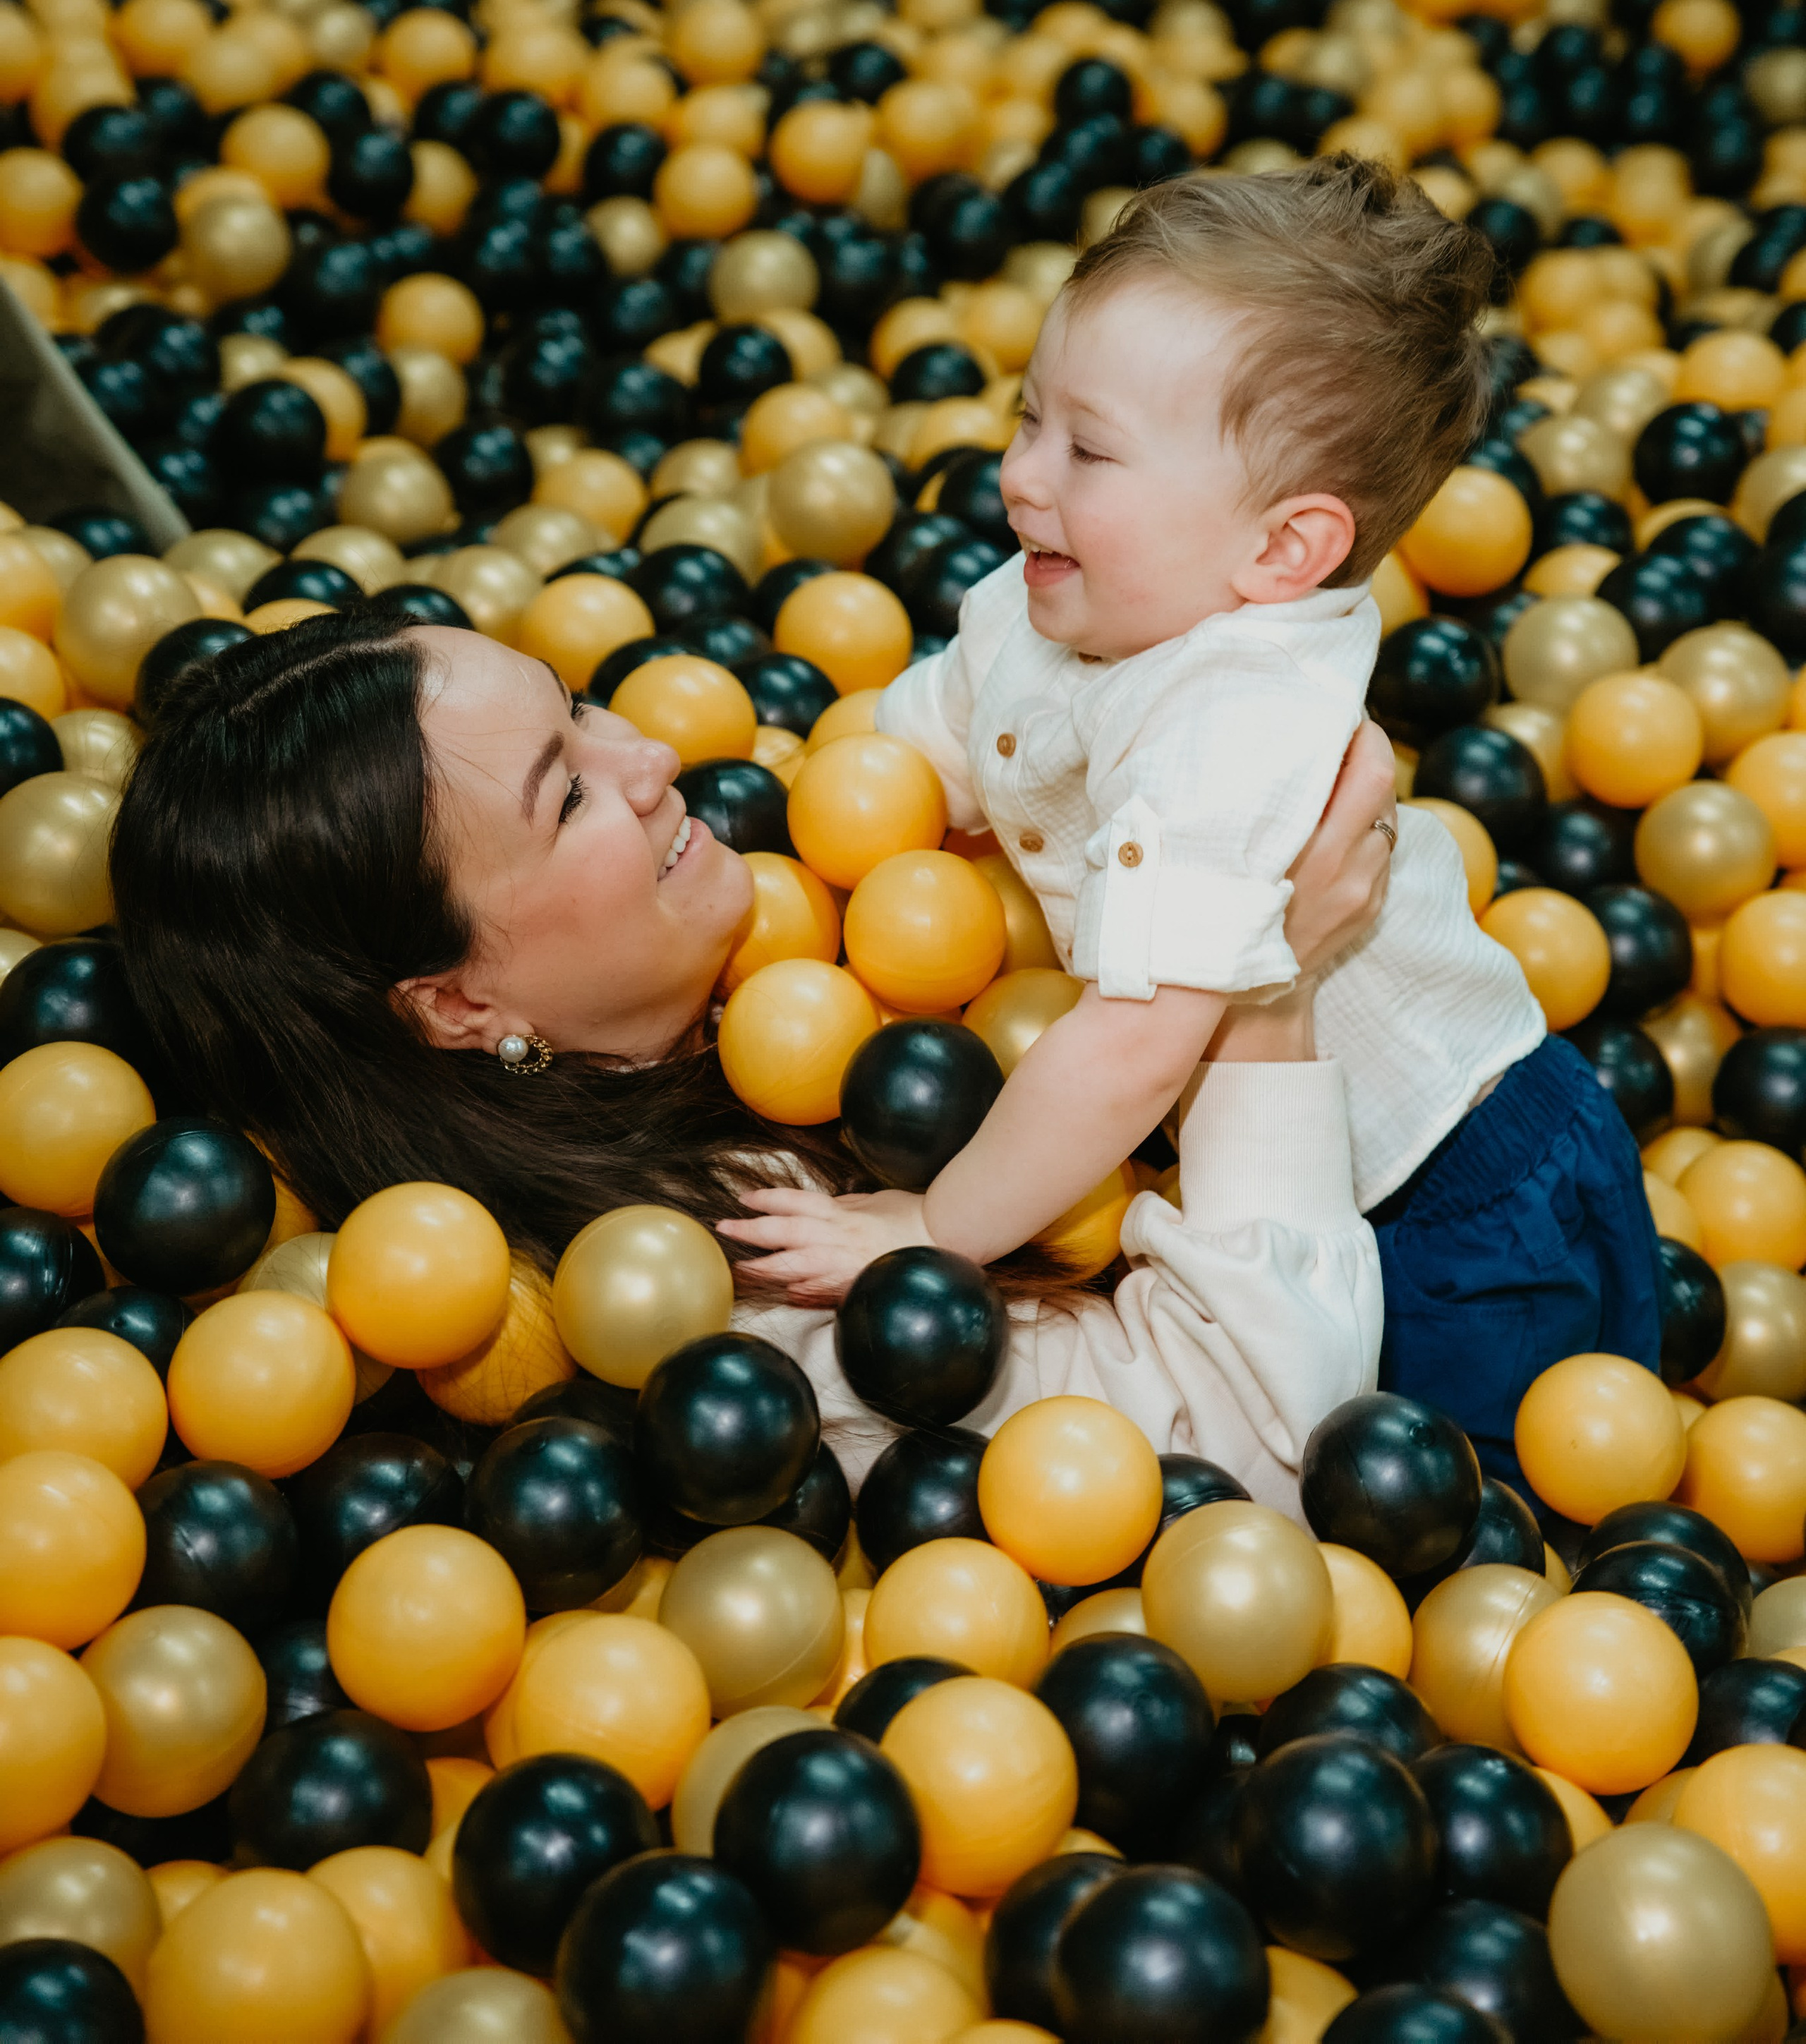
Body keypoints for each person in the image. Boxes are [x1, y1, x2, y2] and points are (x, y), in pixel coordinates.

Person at [727, 158, 1662, 1497]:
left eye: (1088, 449)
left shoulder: (1235, 719)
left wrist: (937, 1227)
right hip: (1270, 1158)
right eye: (1026, 416)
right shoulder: (1071, 589)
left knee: (1460, 1496)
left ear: (1283, 555)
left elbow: (1135, 1044)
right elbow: (936, 733)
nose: (1020, 477)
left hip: (1455, 1196)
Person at [109, 603, 1394, 1505]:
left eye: (576, 705)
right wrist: (1261, 987)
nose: (654, 757)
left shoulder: (808, 927)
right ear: (454, 1002)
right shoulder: (709, 1288)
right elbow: (1259, 1455)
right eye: (565, 797)